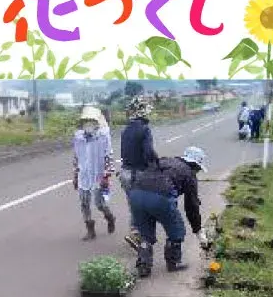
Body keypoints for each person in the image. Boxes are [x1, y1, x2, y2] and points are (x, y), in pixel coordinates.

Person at [127, 146, 211, 277]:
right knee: (176, 229)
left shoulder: (165, 160)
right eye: (198, 168)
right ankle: (173, 262)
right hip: (160, 197)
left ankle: (143, 265)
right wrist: (198, 230)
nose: (198, 171)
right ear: (194, 165)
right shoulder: (188, 173)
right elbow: (191, 206)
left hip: (136, 194)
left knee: (145, 233)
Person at [119, 95, 160, 251]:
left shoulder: (126, 130)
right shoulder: (144, 129)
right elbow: (148, 152)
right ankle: (139, 236)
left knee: (133, 204)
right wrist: (157, 164)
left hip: (125, 172)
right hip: (139, 173)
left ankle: (136, 232)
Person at [72, 106, 116, 240]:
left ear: (97, 122)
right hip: (84, 175)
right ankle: (90, 229)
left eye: (91, 121)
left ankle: (110, 217)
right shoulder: (79, 138)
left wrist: (106, 176)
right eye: (86, 121)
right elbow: (76, 157)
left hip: (99, 175)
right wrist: (75, 175)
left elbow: (109, 157)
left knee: (99, 204)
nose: (88, 124)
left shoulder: (103, 138)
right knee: (84, 202)